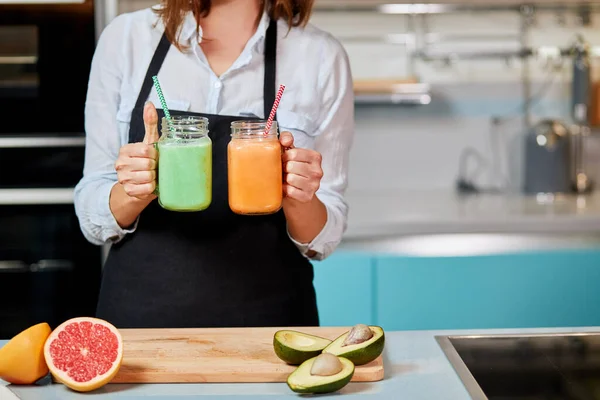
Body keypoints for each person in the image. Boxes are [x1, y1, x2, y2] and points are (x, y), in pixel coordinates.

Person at [74, 0, 354, 329]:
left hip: (270, 329)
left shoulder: (320, 56)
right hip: (141, 330)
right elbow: (91, 210)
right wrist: (134, 190)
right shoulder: (126, 38)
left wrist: (297, 196)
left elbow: (325, 237)